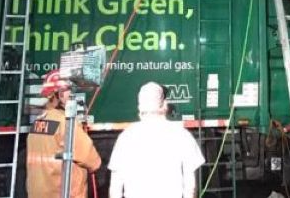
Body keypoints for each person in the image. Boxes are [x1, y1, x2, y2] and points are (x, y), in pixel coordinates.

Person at [108, 82, 205, 198]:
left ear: (140, 107)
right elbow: (190, 186)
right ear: (165, 105)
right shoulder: (181, 134)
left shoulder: (125, 137)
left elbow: (115, 188)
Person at [26, 70, 102, 198]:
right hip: (63, 193)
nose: (71, 94)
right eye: (68, 90)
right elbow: (93, 161)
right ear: (59, 94)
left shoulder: (37, 123)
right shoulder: (66, 123)